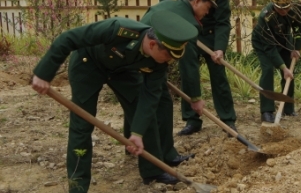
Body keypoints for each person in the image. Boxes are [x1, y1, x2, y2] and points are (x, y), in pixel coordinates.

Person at [31, 11, 198, 192]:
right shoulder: (117, 29)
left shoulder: (159, 62)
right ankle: (78, 185)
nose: (170, 61)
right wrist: (44, 73)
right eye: (168, 56)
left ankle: (152, 171)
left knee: (145, 117)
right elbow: (68, 38)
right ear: (152, 44)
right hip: (88, 65)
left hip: (123, 71)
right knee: (82, 124)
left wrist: (137, 133)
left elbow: (150, 97)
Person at [157, 0, 236, 135]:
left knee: (219, 76)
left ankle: (228, 119)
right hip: (187, 33)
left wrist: (219, 48)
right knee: (188, 73)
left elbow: (223, 22)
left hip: (209, 36)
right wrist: (173, 14)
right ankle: (192, 120)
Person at [251, 0, 301, 122]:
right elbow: (270, 48)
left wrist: (296, 48)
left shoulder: (296, 7)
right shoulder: (266, 16)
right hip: (264, 44)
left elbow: (299, 27)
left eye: (287, 8)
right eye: (280, 8)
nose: (284, 11)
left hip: (285, 40)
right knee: (268, 70)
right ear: (274, 4)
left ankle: (288, 108)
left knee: (290, 74)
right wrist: (283, 68)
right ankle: (267, 111)